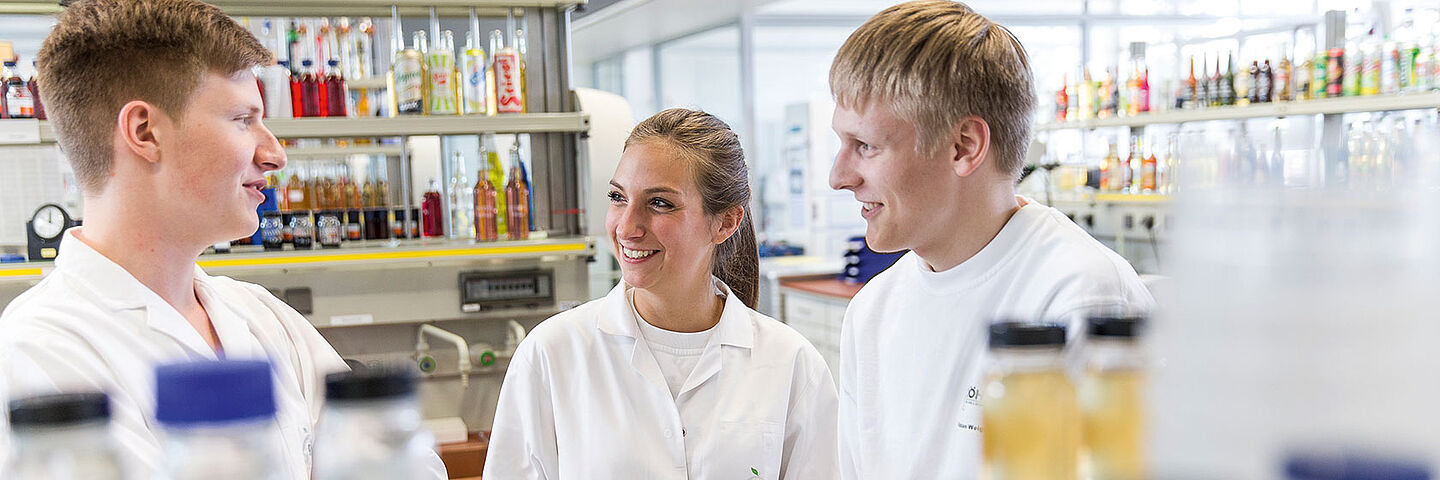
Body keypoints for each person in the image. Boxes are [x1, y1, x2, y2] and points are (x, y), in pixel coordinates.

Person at [0, 1, 443, 478]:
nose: (275, 154)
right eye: (242, 119)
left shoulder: (260, 317)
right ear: (145, 131)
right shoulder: (38, 353)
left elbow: (406, 464)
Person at [826, 2, 1156, 478]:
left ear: (964, 147)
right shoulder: (872, 311)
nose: (838, 177)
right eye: (842, 143)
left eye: (867, 146)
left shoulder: (1081, 299)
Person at [484, 108, 838, 479]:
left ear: (726, 222)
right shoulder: (552, 354)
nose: (626, 227)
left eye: (660, 203)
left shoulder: (791, 364)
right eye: (618, 197)